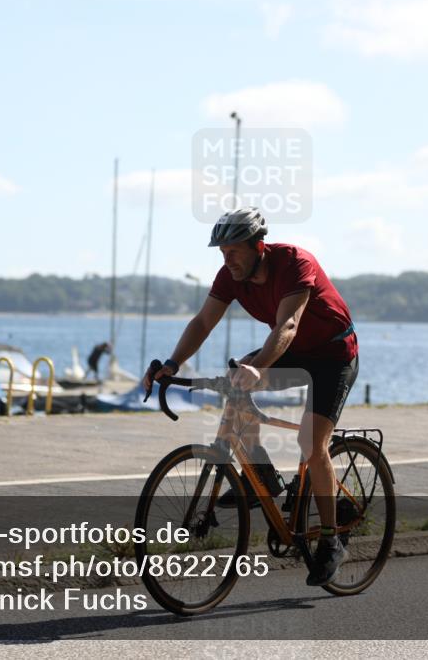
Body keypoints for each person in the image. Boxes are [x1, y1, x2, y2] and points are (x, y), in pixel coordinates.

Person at [142, 207, 359, 586]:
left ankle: (331, 540)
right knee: (235, 383)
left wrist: (259, 366)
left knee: (310, 442)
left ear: (258, 245)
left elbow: (288, 324)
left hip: (333, 355)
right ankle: (264, 478)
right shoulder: (231, 276)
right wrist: (173, 364)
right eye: (222, 253)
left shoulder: (294, 262)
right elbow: (203, 322)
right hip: (293, 351)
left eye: (234, 252)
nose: (228, 261)